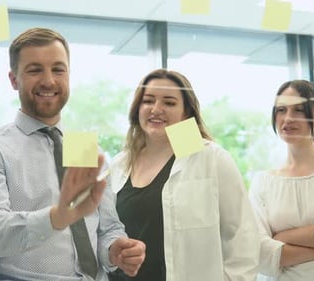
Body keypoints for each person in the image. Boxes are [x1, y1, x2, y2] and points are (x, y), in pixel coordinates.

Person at [0, 27, 145, 281]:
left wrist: (115, 250)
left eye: (58, 69)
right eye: (35, 69)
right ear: (13, 79)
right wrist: (56, 218)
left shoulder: (84, 148)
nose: (49, 80)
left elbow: (107, 228)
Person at [108, 69, 260, 281]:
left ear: (186, 112)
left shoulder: (210, 158)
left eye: (169, 103)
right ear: (137, 109)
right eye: (148, 101)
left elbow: (243, 239)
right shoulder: (119, 164)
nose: (156, 109)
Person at [248, 80, 314, 281]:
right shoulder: (263, 182)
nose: (288, 118)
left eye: (298, 110)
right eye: (281, 110)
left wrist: (281, 238)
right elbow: (257, 251)